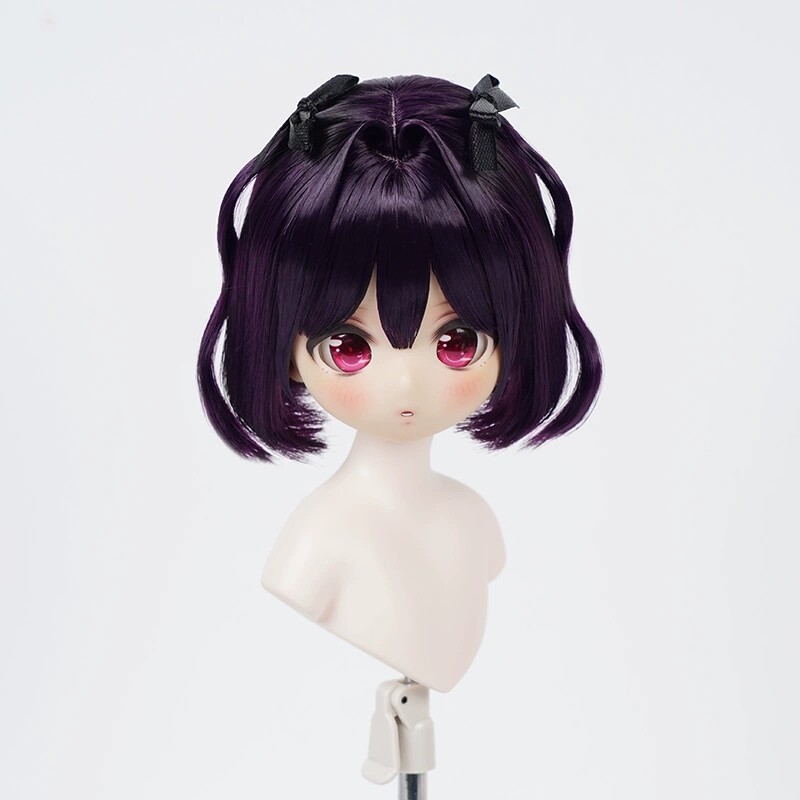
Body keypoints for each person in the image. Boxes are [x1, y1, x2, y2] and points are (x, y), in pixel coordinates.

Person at [197, 73, 603, 692]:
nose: (407, 382)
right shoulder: (315, 549)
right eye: (350, 348)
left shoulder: (473, 522)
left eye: (457, 342)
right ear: (282, 347)